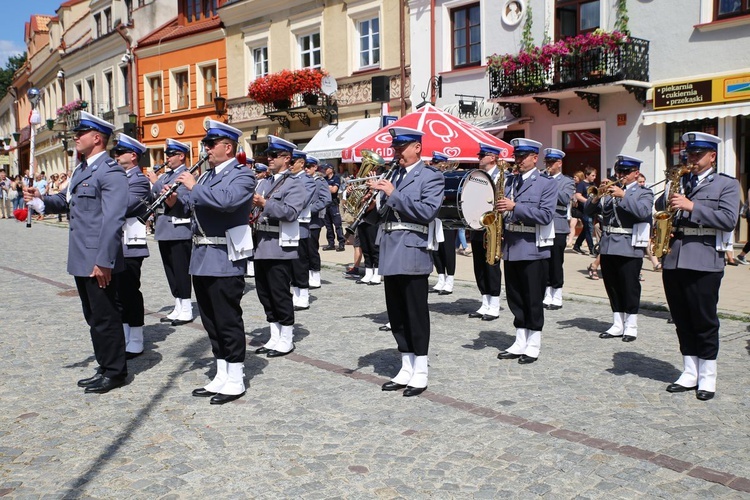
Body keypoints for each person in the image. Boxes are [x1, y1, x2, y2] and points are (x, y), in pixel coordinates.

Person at [24, 111, 129, 394]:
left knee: (106, 317)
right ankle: (105, 365)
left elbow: (112, 220)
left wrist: (104, 261)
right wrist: (40, 201)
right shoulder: (82, 170)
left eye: (80, 134)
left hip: (98, 259)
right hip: (81, 257)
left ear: (97, 139)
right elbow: (66, 201)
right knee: (93, 316)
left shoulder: (110, 171)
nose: (76, 138)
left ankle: (116, 372)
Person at [164, 120, 256, 405]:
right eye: (205, 144)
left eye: (210, 144)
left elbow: (228, 202)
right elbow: (193, 208)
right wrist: (174, 201)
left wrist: (193, 186)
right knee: (210, 320)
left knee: (227, 318)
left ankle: (236, 376)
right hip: (201, 256)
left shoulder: (243, 175)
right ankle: (221, 373)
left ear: (227, 148)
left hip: (224, 257)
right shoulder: (205, 177)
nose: (205, 149)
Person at [659, 132, 739, 401]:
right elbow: (663, 209)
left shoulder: (726, 184)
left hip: (704, 259)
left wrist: (692, 206)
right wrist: (668, 195)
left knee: (704, 320)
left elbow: (729, 220)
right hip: (674, 257)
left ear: (712, 156)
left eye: (697, 155)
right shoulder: (681, 180)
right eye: (689, 154)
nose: (691, 159)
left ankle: (708, 376)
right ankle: (689, 371)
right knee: (682, 318)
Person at [370, 127, 444, 397]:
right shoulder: (393, 175)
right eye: (395, 149)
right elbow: (383, 215)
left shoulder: (431, 176)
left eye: (402, 148)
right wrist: (371, 204)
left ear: (417, 148)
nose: (397, 153)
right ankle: (405, 365)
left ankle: (421, 369)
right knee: (396, 313)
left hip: (412, 250)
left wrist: (393, 194)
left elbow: (427, 211)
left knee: (415, 313)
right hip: (390, 249)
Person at [496, 138, 556, 364]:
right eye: (516, 156)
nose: (518, 161)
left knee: (532, 297)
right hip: (511, 245)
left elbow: (545, 215)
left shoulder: (546, 184)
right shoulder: (510, 181)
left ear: (534, 158)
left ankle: (534, 342)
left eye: (523, 157)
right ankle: (520, 339)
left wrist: (516, 207)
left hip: (532, 247)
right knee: (515, 296)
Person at [586, 156, 653, 343]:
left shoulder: (643, 192)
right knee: (612, 285)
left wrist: (623, 196)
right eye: (619, 172)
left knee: (629, 286)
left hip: (628, 243)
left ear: (636, 173)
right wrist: (598, 195)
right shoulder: (608, 192)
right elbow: (587, 211)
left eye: (625, 172)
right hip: (608, 244)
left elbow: (643, 212)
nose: (621, 176)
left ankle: (631, 325)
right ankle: (617, 323)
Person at [252, 135, 306, 358]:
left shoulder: (295, 184)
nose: (269, 159)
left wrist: (266, 204)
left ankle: (287, 338)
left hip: (278, 246)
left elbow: (291, 213)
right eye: (268, 155)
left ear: (287, 159)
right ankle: (274, 336)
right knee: (265, 294)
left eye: (274, 155)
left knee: (280, 293)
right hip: (260, 244)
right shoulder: (263, 182)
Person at [146, 138, 196, 327]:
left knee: (181, 271)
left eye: (170, 155)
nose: (167, 158)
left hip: (179, 229)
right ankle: (178, 305)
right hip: (165, 229)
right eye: (167, 155)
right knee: (170, 271)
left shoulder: (185, 175)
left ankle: (186, 308)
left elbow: (179, 199)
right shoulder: (167, 176)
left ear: (181, 156)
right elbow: (155, 197)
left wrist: (155, 182)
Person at [111, 134, 151, 359]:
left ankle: (135, 338)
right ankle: (125, 335)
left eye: (119, 153)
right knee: (117, 293)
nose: (115, 156)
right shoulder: (117, 177)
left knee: (129, 291)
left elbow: (123, 205)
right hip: (115, 242)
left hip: (130, 244)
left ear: (133, 156)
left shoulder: (139, 180)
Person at [468, 143, 504, 320]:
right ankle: (485, 302)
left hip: (493, 226)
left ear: (492, 157)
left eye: (482, 155)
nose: (479, 158)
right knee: (479, 265)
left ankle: (495, 304)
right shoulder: (477, 176)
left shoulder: (502, 176)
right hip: (478, 224)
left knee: (491, 265)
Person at [542, 149, 575, 310]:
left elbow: (564, 198)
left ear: (559, 163)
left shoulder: (566, 181)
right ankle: (547, 293)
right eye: (546, 162)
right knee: (544, 261)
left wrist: (549, 183)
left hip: (558, 226)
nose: (548, 166)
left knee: (556, 261)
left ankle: (557, 294)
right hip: (542, 225)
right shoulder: (542, 178)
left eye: (551, 163)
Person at [289, 149, 316, 310]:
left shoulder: (307, 181)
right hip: (287, 225)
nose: (290, 165)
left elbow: (301, 201)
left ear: (301, 163)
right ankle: (295, 293)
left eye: (293, 162)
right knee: (291, 263)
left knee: (300, 262)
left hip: (300, 225)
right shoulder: (289, 179)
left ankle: (303, 295)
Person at [429, 151, 456, 295]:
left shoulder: (449, 178)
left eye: (439, 165)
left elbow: (454, 194)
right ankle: (440, 278)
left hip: (447, 218)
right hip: (434, 217)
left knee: (448, 250)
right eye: (435, 164)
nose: (436, 167)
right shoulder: (431, 179)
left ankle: (450, 280)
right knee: (436, 250)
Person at [304, 157, 332, 288]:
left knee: (312, 249)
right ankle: (305, 275)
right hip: (301, 221)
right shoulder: (302, 180)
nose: (306, 169)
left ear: (315, 167)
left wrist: (310, 210)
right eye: (305, 166)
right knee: (302, 251)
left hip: (313, 221)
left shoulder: (320, 181)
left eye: (309, 166)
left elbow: (326, 199)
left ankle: (315, 276)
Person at [572, 166, 597, 255]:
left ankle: (577, 245)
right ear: (587, 175)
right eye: (593, 175)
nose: (594, 177)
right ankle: (592, 249)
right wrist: (588, 202)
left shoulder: (593, 184)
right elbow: (578, 195)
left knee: (586, 228)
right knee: (589, 229)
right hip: (584, 210)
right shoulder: (582, 184)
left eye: (595, 175)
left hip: (592, 210)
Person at [322, 163, 346, 251]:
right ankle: (331, 244)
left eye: (326, 168)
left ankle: (341, 244)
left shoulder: (336, 178)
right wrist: (328, 187)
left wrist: (326, 187)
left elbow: (334, 190)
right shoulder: (323, 179)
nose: (325, 170)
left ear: (331, 169)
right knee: (328, 226)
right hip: (325, 204)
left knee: (338, 225)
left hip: (333, 204)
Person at [568, 170, 584, 246]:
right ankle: (570, 241)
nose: (574, 178)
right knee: (572, 225)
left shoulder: (583, 185)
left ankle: (587, 241)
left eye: (576, 177)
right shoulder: (573, 186)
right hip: (575, 208)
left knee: (586, 226)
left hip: (582, 208)